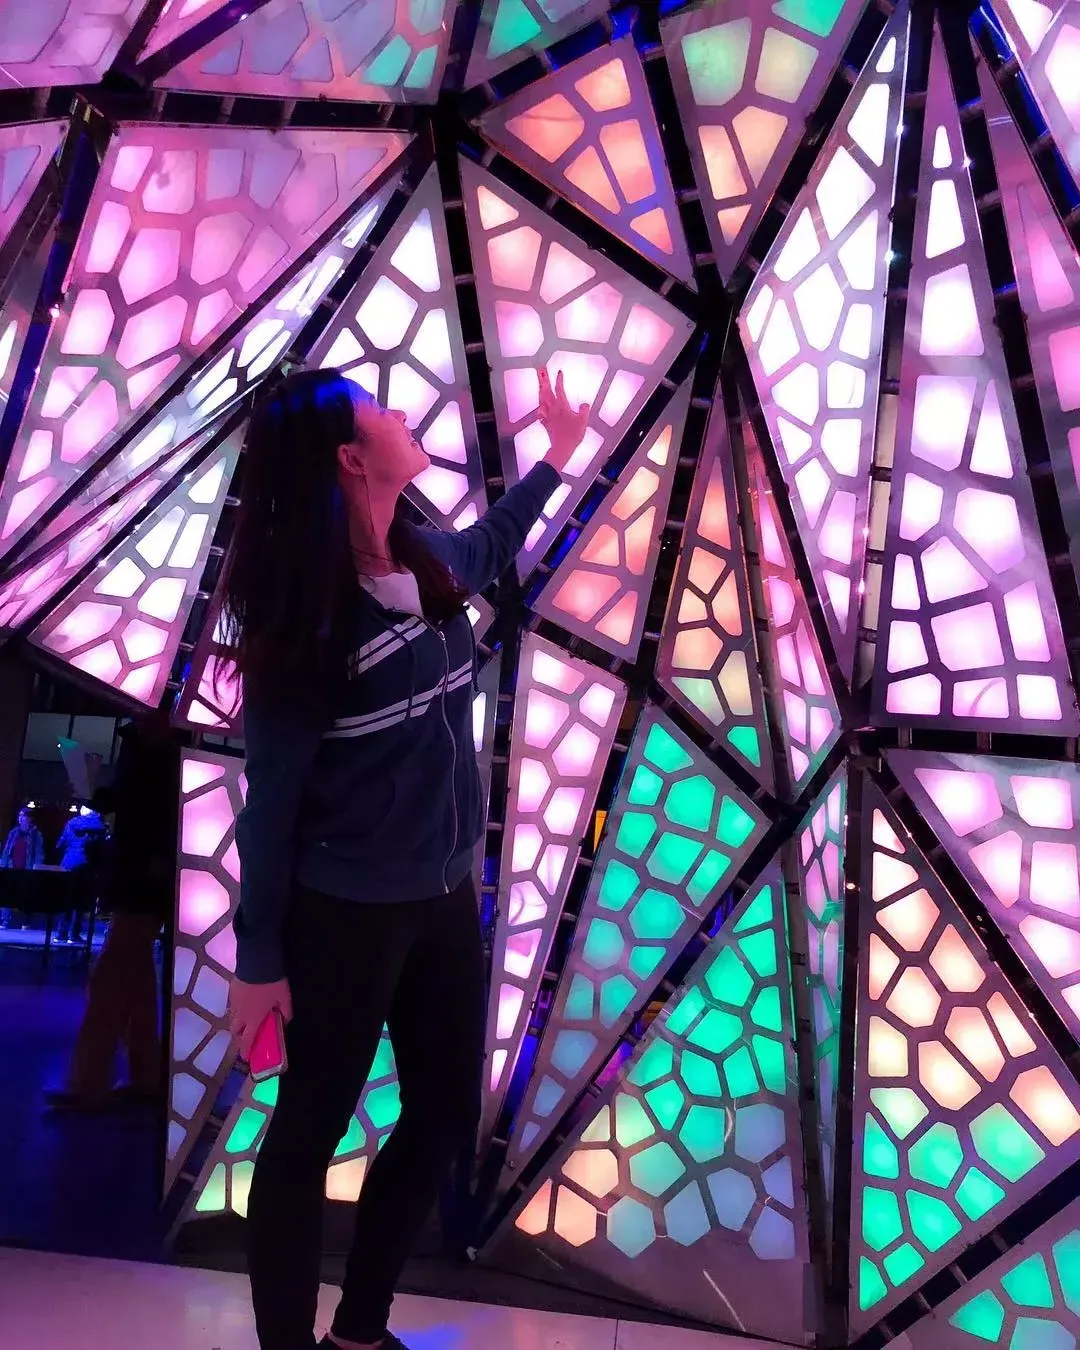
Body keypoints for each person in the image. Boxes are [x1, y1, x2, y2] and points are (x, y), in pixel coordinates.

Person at [222, 366, 589, 1350]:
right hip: (341, 913)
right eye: (375, 410)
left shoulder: (421, 563)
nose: (399, 415)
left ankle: (361, 1332)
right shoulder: (305, 619)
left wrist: (554, 460)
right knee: (308, 1136)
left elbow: (490, 542)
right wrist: (259, 959)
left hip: (440, 902)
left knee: (436, 1121)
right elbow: (272, 806)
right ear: (350, 458)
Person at [45, 710, 181, 1110]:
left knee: (112, 976)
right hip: (143, 876)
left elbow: (133, 804)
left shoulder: (146, 750)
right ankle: (144, 1077)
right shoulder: (163, 752)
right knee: (134, 978)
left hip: (138, 877)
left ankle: (89, 1082)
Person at [55, 803, 107, 944]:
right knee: (79, 900)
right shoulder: (100, 826)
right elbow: (100, 849)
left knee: (66, 898)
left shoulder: (71, 823)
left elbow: (60, 843)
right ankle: (74, 934)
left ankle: (61, 933)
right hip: (86, 865)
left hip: (68, 863)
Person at [0, 806, 45, 928]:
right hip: (12, 867)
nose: (20, 818)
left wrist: (36, 868)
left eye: (22, 816)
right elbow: (7, 850)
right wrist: (3, 865)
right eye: (19, 816)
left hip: (27, 869)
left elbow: (39, 853)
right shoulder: (14, 832)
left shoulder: (36, 835)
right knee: (6, 893)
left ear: (29, 819)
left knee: (27, 895)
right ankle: (5, 920)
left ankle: (26, 921)